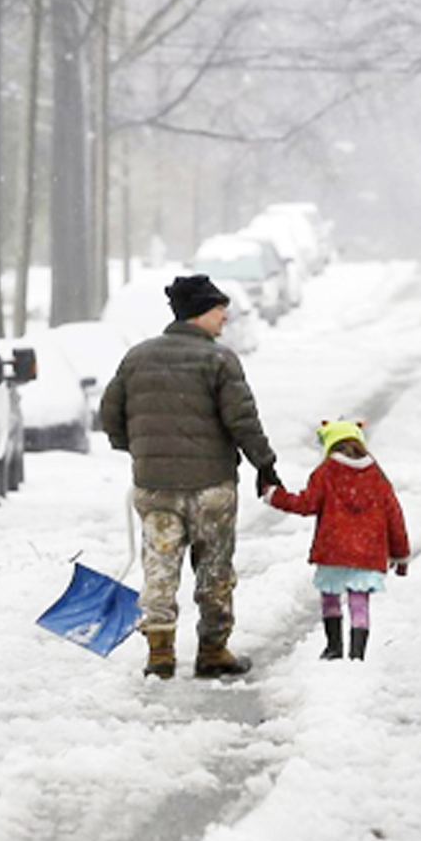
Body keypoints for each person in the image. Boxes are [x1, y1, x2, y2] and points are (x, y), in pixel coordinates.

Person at [99, 273, 282, 680]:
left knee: (160, 566)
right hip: (211, 487)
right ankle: (213, 650)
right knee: (214, 569)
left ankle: (160, 652)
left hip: (155, 486)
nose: (224, 319)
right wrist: (264, 465)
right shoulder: (218, 360)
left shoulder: (138, 357)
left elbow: (110, 414)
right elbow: (242, 420)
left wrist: (140, 449)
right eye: (219, 310)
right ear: (200, 313)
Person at [266, 418, 410, 662]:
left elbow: (306, 504)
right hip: (367, 552)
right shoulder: (377, 477)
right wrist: (401, 555)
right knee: (359, 601)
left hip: (334, 549)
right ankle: (357, 654)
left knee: (330, 596)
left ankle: (334, 647)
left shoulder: (326, 473)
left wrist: (274, 496)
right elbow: (394, 517)